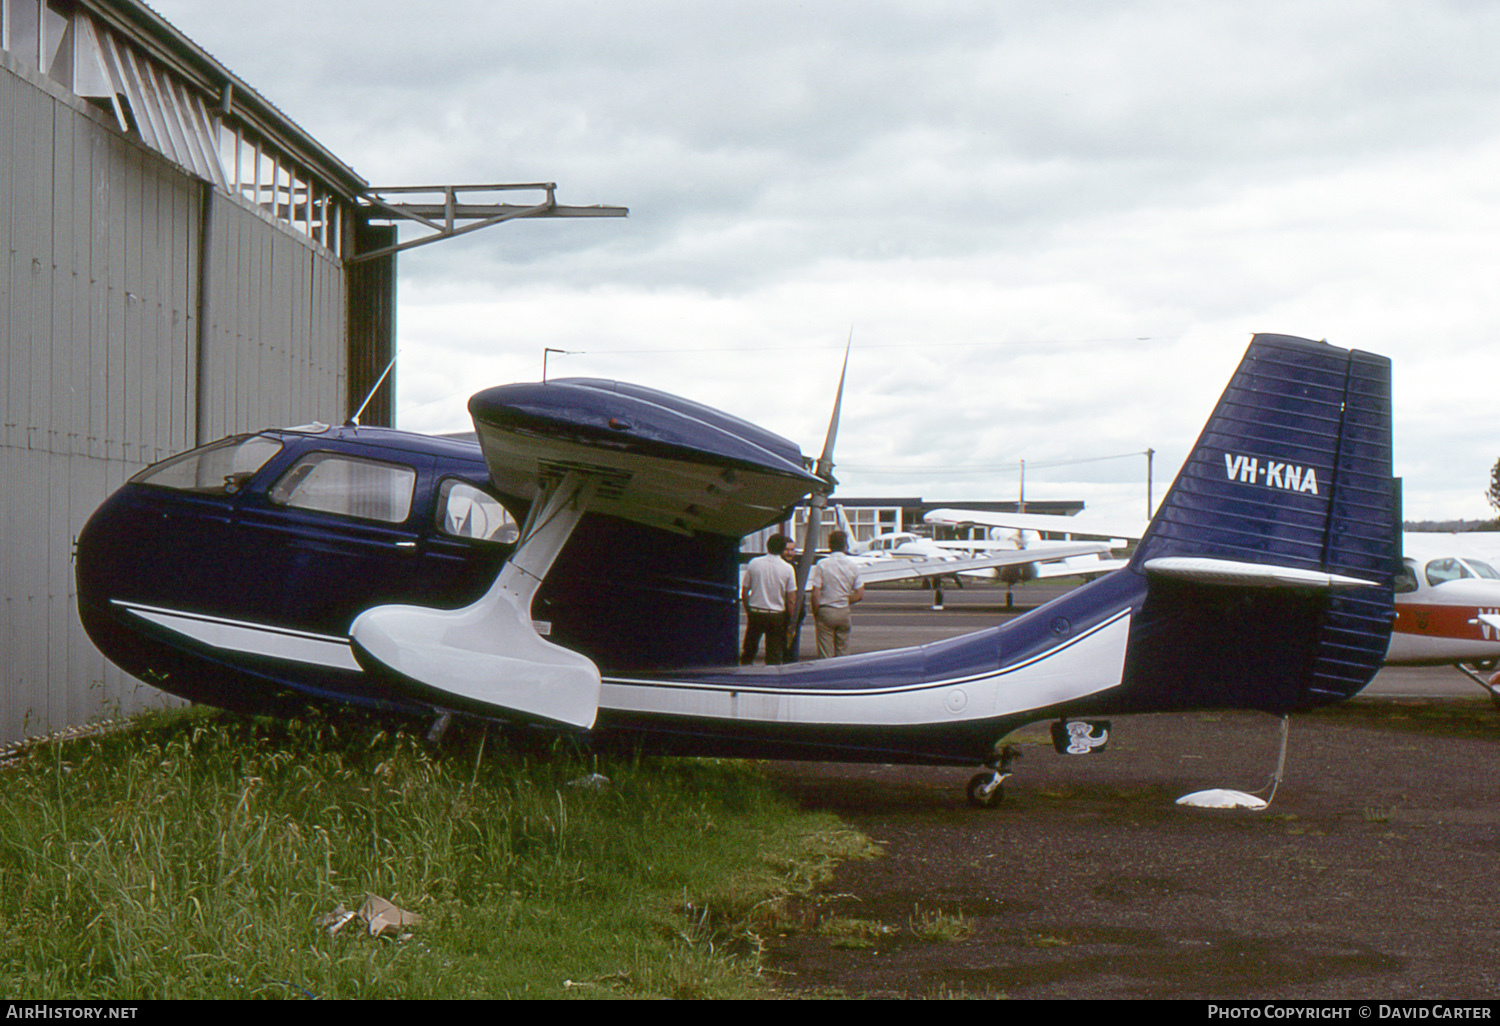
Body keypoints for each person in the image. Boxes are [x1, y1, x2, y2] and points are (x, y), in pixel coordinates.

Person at [741, 534, 798, 665]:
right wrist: (791, 619)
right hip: (776, 615)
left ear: (768, 546)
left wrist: (748, 609)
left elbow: (745, 591)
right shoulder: (788, 568)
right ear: (783, 549)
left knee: (749, 650)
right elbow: (791, 599)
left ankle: (743, 673)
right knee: (773, 653)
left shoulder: (754, 563)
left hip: (756, 611)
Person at [809, 529, 864, 658]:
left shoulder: (822, 564)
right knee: (843, 649)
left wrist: (816, 611)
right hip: (843, 610)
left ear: (829, 546)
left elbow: (815, 593)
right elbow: (859, 594)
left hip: (826, 609)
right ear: (846, 546)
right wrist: (844, 600)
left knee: (825, 652)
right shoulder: (853, 566)